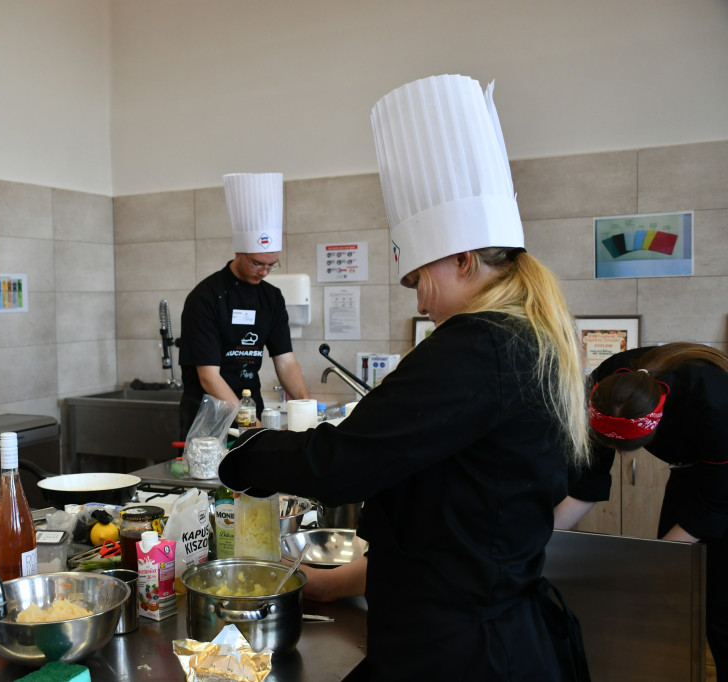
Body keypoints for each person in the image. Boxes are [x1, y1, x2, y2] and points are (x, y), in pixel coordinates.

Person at [218, 75, 590, 680]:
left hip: (462, 656)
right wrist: (340, 585)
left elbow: (341, 462)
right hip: (476, 630)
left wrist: (243, 458)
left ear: (464, 259)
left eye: (419, 278)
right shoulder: (530, 337)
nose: (420, 302)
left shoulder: (479, 345)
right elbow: (453, 524)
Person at [554, 342, 728, 681]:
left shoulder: (715, 401)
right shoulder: (604, 391)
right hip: (688, 469)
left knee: (719, 605)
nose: (619, 456)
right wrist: (543, 537)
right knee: (679, 591)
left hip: (722, 477)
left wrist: (655, 566)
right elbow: (587, 482)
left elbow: (714, 504)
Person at [178, 172, 309, 437]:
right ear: (239, 253)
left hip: (251, 409)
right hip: (208, 420)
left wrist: (307, 411)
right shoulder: (205, 297)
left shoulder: (271, 298)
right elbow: (209, 377)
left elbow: (285, 362)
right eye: (256, 263)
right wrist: (250, 424)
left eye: (271, 265)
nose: (264, 272)